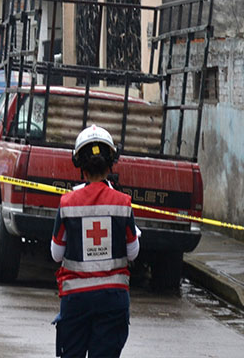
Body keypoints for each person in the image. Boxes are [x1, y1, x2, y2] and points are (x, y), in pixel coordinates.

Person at [50, 125, 140, 358]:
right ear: (111, 163)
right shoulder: (123, 203)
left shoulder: (67, 203)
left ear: (79, 165)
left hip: (76, 299)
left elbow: (56, 254)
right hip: (113, 299)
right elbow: (133, 252)